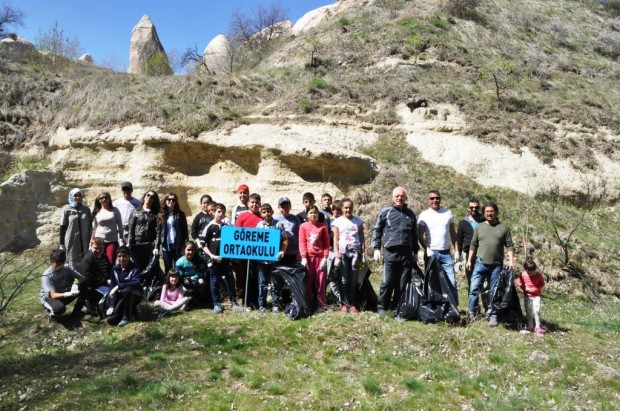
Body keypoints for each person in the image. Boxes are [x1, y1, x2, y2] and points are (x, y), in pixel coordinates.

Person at [372, 187, 419, 317]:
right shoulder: (385, 212)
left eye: (402, 196)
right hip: (390, 252)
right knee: (387, 281)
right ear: (392, 198)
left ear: (406, 198)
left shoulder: (410, 214)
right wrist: (376, 248)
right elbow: (377, 230)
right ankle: (382, 307)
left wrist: (416, 251)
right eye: (397, 196)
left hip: (406, 253)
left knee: (402, 282)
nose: (399, 198)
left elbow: (414, 234)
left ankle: (397, 307)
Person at [466, 201, 515, 326]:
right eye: (487, 211)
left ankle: (493, 315)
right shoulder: (479, 227)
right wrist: (469, 260)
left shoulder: (504, 227)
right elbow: (473, 244)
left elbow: (509, 245)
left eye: (492, 211)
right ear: (484, 213)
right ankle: (471, 313)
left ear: (496, 212)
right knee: (474, 289)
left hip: (496, 265)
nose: (489, 213)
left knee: (494, 291)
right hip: (480, 263)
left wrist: (511, 261)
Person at [417, 190, 459, 305]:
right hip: (431, 253)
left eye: (437, 198)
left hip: (446, 253)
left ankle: (454, 308)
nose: (435, 200)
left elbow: (453, 233)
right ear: (428, 200)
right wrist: (426, 248)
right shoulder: (424, 215)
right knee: (432, 281)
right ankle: (433, 307)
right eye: (432, 198)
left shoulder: (447, 213)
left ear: (440, 199)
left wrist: (457, 251)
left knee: (451, 281)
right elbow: (419, 235)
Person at [201, 203, 240, 314]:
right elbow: (203, 245)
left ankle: (234, 302)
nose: (221, 214)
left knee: (231, 280)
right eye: (219, 211)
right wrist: (212, 256)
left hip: (226, 259)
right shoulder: (209, 227)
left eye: (223, 212)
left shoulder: (227, 227)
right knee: (214, 281)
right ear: (213, 212)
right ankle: (217, 304)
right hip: (214, 259)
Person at [332, 197, 365, 314]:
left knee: (353, 280)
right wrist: (336, 255)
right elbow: (335, 239)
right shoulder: (337, 222)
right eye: (345, 207)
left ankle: (352, 304)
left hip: (355, 254)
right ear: (341, 208)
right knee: (344, 279)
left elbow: (361, 238)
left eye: (350, 207)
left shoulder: (358, 221)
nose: (348, 210)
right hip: (343, 253)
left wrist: (363, 254)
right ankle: (344, 304)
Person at [255, 203, 287, 313]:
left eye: (269, 211)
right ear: (261, 214)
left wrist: (282, 250)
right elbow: (255, 241)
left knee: (275, 283)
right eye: (264, 212)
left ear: (272, 212)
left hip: (274, 259)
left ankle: (275, 305)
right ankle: (262, 305)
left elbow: (285, 239)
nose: (267, 214)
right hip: (261, 260)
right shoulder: (259, 225)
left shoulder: (278, 224)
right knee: (262, 283)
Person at [299, 205, 330, 313]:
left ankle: (321, 306)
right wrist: (303, 257)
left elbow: (326, 243)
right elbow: (302, 242)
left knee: (320, 283)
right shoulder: (303, 226)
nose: (313, 215)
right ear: (307, 214)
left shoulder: (323, 226)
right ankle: (308, 305)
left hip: (320, 258)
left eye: (315, 213)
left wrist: (325, 257)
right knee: (308, 282)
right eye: (311, 213)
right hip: (308, 258)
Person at [234, 192, 263, 309]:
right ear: (248, 203)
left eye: (257, 203)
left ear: (260, 204)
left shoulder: (262, 217)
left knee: (257, 276)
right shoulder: (242, 216)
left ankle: (256, 301)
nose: (255, 205)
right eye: (252, 202)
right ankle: (246, 302)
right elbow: (237, 234)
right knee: (247, 276)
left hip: (260, 253)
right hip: (245, 253)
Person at [40, 249, 84, 320]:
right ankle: (53, 315)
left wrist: (75, 285)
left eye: (62, 263)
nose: (60, 266)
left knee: (85, 287)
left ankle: (77, 310)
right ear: (52, 261)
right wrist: (67, 294)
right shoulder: (47, 275)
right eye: (58, 264)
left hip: (63, 293)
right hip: (49, 298)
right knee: (59, 309)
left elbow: (81, 278)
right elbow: (53, 295)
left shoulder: (66, 267)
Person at [75, 237, 111, 317]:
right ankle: (88, 303)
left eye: (100, 248)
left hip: (104, 284)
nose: (98, 250)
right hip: (92, 286)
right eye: (95, 248)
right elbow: (87, 277)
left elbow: (110, 270)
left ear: (104, 248)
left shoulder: (105, 257)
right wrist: (105, 281)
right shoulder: (88, 259)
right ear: (91, 247)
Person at [107, 245, 143, 327]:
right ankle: (132, 310)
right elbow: (112, 286)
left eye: (124, 256)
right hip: (121, 296)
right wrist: (111, 305)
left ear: (129, 256)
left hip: (134, 294)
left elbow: (136, 282)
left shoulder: (135, 268)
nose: (122, 259)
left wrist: (119, 286)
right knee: (111, 320)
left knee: (128, 290)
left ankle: (127, 317)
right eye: (119, 256)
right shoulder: (114, 269)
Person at [127, 190, 161, 271]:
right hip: (137, 244)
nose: (149, 198)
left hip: (150, 245)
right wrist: (129, 243)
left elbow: (158, 231)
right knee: (136, 266)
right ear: (144, 196)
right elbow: (131, 228)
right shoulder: (135, 211)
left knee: (150, 267)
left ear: (154, 200)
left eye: (152, 197)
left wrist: (156, 246)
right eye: (148, 195)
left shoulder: (156, 214)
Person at [59, 188, 92, 268]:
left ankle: (83, 278)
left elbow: (90, 225)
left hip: (85, 239)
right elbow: (62, 227)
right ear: (71, 197)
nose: (77, 198)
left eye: (79, 195)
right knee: (72, 260)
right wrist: (62, 244)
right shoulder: (66, 209)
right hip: (71, 239)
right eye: (75, 196)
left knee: (85, 260)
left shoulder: (86, 210)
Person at [456, 197, 484, 288]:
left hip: (484, 253)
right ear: (468, 208)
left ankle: (486, 301)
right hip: (470, 255)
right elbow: (459, 240)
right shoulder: (463, 222)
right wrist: (458, 258)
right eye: (471, 207)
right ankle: (473, 302)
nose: (474, 209)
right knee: (471, 279)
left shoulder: (484, 220)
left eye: (476, 207)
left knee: (484, 279)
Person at [91, 191, 124, 265]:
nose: (104, 199)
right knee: (99, 261)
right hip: (99, 241)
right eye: (102, 198)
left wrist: (121, 240)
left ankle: (109, 276)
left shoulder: (115, 210)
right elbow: (94, 229)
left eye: (106, 197)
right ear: (99, 200)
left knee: (110, 261)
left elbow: (120, 225)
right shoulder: (96, 212)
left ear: (109, 199)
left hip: (112, 240)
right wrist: (92, 242)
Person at [159, 192, 189, 273]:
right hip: (166, 244)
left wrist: (186, 244)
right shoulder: (161, 214)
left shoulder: (180, 214)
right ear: (165, 201)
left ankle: (179, 284)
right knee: (168, 267)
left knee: (178, 266)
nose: (171, 201)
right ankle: (168, 285)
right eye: (169, 199)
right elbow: (159, 231)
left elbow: (185, 230)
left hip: (178, 244)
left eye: (173, 200)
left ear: (176, 202)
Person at [175, 241, 209, 307]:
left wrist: (193, 278)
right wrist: (188, 281)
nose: (190, 252)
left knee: (201, 282)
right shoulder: (179, 262)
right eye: (188, 250)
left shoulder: (199, 260)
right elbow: (180, 277)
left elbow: (202, 273)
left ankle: (198, 299)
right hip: (185, 283)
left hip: (197, 281)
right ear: (184, 250)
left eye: (192, 250)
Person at [517, 260, 545, 336]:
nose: (531, 273)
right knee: (529, 312)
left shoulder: (538, 275)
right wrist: (524, 288)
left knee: (537, 310)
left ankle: (538, 327)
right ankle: (530, 326)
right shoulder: (523, 275)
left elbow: (542, 284)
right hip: (527, 296)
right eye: (529, 272)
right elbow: (519, 282)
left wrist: (535, 289)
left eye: (533, 271)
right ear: (526, 270)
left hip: (536, 295)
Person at [275, 197, 302, 265]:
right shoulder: (276, 220)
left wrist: (300, 251)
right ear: (278, 207)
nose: (285, 208)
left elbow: (300, 235)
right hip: (281, 251)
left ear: (290, 207)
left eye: (287, 206)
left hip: (294, 251)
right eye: (282, 207)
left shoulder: (295, 219)